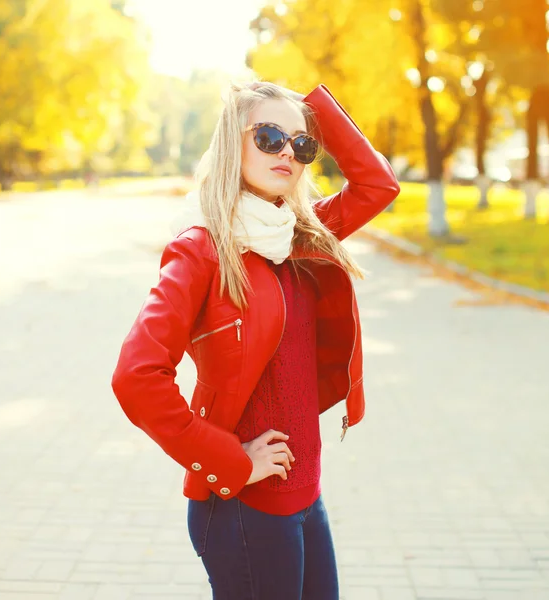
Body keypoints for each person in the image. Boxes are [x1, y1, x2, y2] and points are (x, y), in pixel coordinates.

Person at [111, 80, 400, 599]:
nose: (288, 151)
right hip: (245, 509)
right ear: (232, 143)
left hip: (306, 497)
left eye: (301, 143)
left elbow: (377, 186)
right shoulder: (201, 249)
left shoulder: (299, 235)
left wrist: (314, 107)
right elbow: (136, 378)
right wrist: (232, 459)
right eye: (268, 136)